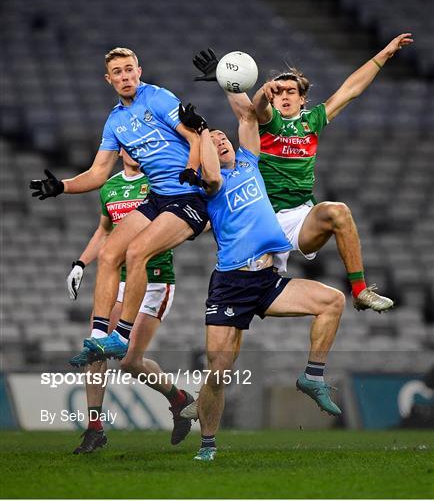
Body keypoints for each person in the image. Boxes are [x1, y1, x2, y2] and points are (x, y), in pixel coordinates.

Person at [193, 34, 413, 312]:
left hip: (299, 218)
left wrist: (384, 54)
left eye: (291, 91)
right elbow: (253, 109)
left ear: (302, 98)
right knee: (239, 299)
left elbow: (351, 90)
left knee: (338, 212)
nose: (284, 96)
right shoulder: (268, 122)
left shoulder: (313, 121)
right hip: (262, 220)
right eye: (279, 91)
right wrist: (232, 81)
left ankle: (360, 291)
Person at [178, 98, 345, 461]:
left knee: (333, 300)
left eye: (224, 137)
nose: (222, 141)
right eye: (214, 140)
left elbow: (250, 119)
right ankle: (207, 444)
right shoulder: (211, 186)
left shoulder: (250, 163)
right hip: (231, 285)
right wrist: (201, 132)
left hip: (267, 281)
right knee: (221, 370)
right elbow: (208, 174)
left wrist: (251, 92)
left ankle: (312, 376)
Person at [29, 48, 208, 372]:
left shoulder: (158, 98)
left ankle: (122, 336)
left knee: (136, 252)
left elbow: (195, 137)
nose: (125, 76)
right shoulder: (115, 121)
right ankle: (100, 334)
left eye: (129, 70)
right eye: (118, 72)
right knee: (111, 252)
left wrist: (192, 170)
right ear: (108, 79)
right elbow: (98, 174)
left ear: (138, 71)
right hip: (159, 197)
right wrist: (62, 186)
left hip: (190, 199)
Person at [67, 149, 192, 453]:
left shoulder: (159, 181)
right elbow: (104, 232)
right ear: (120, 149)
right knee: (96, 345)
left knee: (130, 362)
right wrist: (80, 264)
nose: (135, 151)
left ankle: (178, 399)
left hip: (156, 279)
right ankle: (94, 428)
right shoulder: (110, 187)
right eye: (129, 145)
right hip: (121, 280)